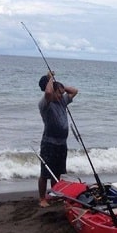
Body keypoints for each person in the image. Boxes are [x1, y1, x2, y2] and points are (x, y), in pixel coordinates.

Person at [37, 72, 78, 207]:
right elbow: (48, 93)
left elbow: (74, 91)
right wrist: (50, 79)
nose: (61, 95)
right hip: (49, 144)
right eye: (58, 93)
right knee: (45, 173)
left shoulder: (61, 101)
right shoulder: (45, 103)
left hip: (62, 144)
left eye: (61, 93)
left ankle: (55, 194)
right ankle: (42, 198)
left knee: (59, 173)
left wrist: (61, 87)